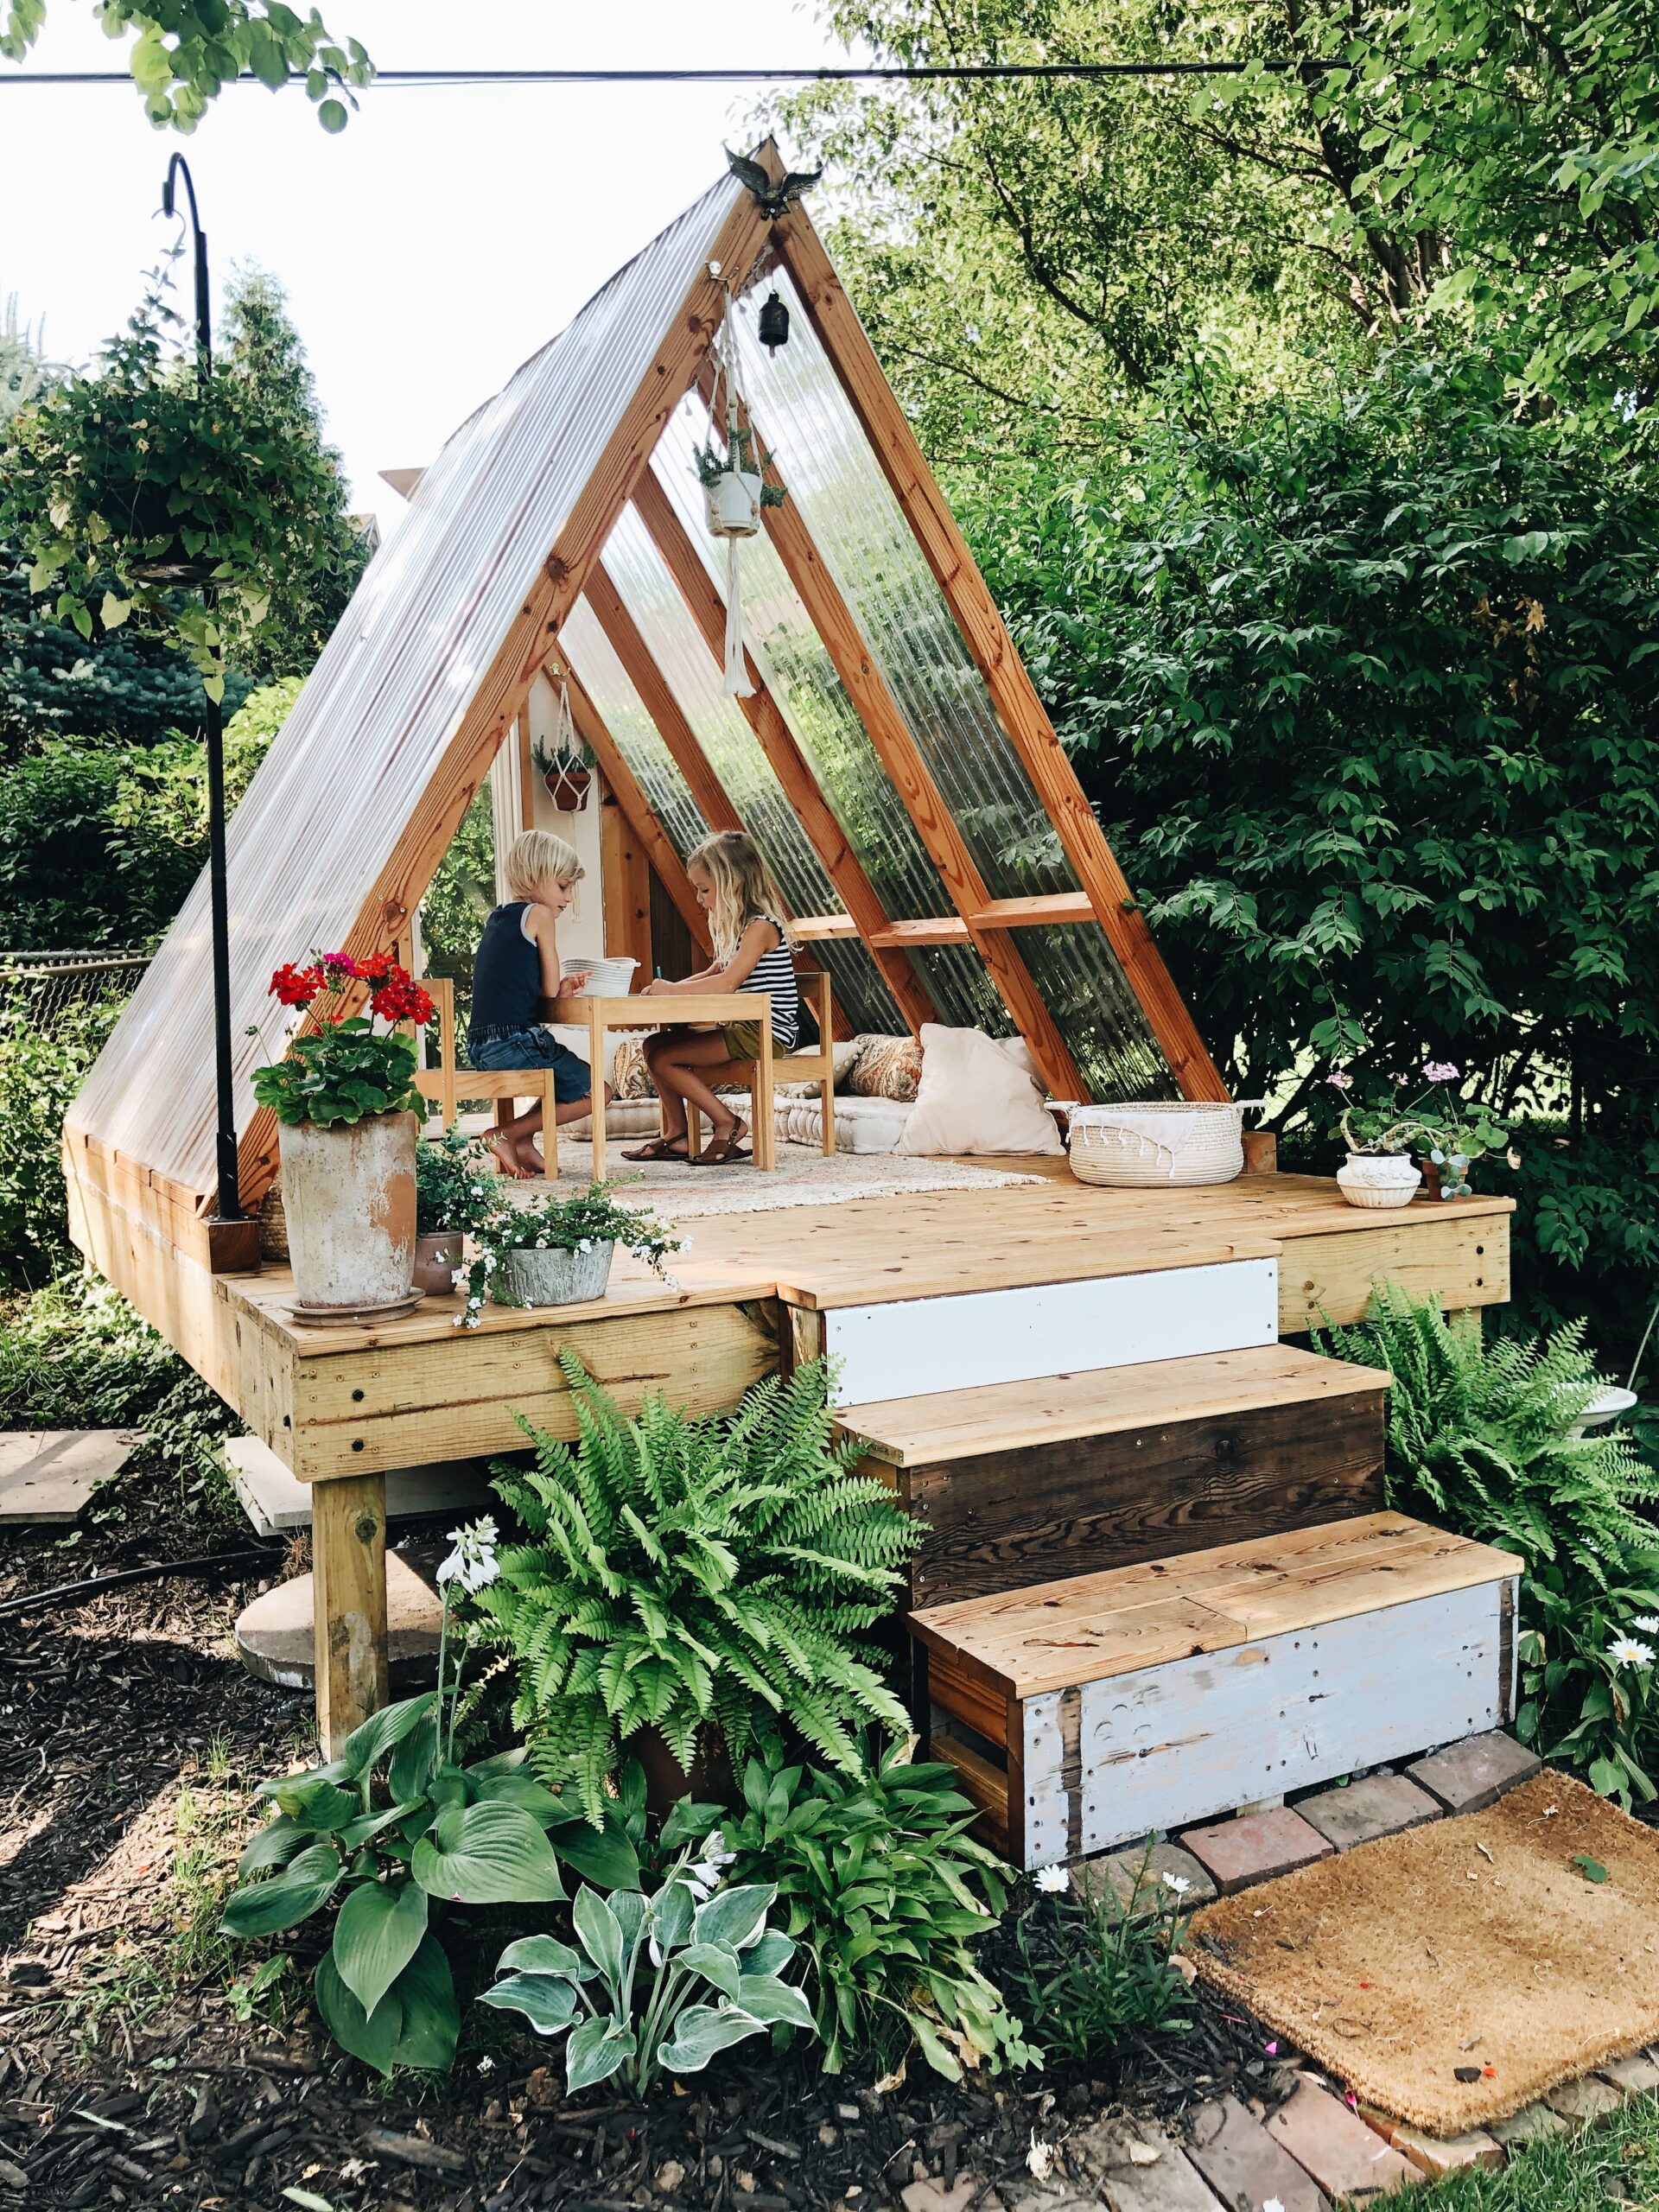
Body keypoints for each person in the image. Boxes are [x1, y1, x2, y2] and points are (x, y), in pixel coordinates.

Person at [625, 830, 800, 1167]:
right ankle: (676, 1134)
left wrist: (673, 991)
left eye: (705, 890)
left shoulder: (761, 927)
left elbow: (728, 982)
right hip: (741, 1028)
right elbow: (713, 972)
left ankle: (728, 1123)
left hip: (764, 1034)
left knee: (665, 1059)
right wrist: (667, 987)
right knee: (653, 1046)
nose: (700, 899)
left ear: (733, 883)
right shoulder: (741, 928)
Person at [467, 830, 613, 1179]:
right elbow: (548, 992)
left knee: (563, 1081)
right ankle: (507, 1134)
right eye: (563, 887)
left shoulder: (499, 916)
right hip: (513, 1039)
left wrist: (557, 991)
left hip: (481, 1044)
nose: (568, 898)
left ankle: (525, 1137)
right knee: (598, 1091)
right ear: (537, 877)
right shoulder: (540, 915)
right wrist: (559, 987)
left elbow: (520, 990)